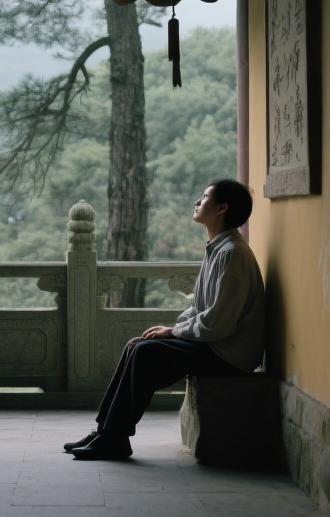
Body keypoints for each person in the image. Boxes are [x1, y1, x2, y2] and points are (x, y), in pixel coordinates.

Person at [66, 178, 265, 460]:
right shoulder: (218, 249)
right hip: (216, 343)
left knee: (146, 353)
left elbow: (217, 324)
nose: (198, 201)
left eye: (205, 197)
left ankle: (116, 438)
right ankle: (105, 431)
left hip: (229, 353)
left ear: (221, 208)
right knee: (136, 345)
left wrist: (174, 332)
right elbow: (197, 307)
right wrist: (174, 329)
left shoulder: (232, 254)